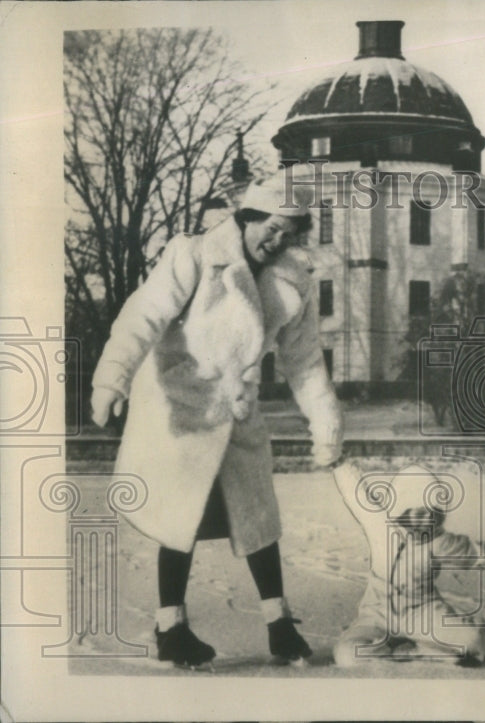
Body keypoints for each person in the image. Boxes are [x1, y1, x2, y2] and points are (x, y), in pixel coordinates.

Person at [90, 175, 343, 668]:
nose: (278, 242)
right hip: (182, 404)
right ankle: (170, 629)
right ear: (247, 218)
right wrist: (110, 380)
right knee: (179, 519)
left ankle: (280, 625)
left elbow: (305, 359)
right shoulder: (194, 255)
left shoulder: (296, 282)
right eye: (271, 229)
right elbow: (143, 315)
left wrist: (325, 421)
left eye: (290, 235)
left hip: (237, 408)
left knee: (258, 516)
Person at [331, 462, 485, 667]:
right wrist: (336, 460)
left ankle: (424, 649)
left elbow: (477, 553)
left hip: (423, 612)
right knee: (349, 656)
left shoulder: (439, 541)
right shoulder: (381, 529)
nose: (425, 519)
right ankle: (401, 648)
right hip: (377, 615)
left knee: (475, 641)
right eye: (418, 511)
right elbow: (358, 493)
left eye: (431, 513)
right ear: (402, 509)